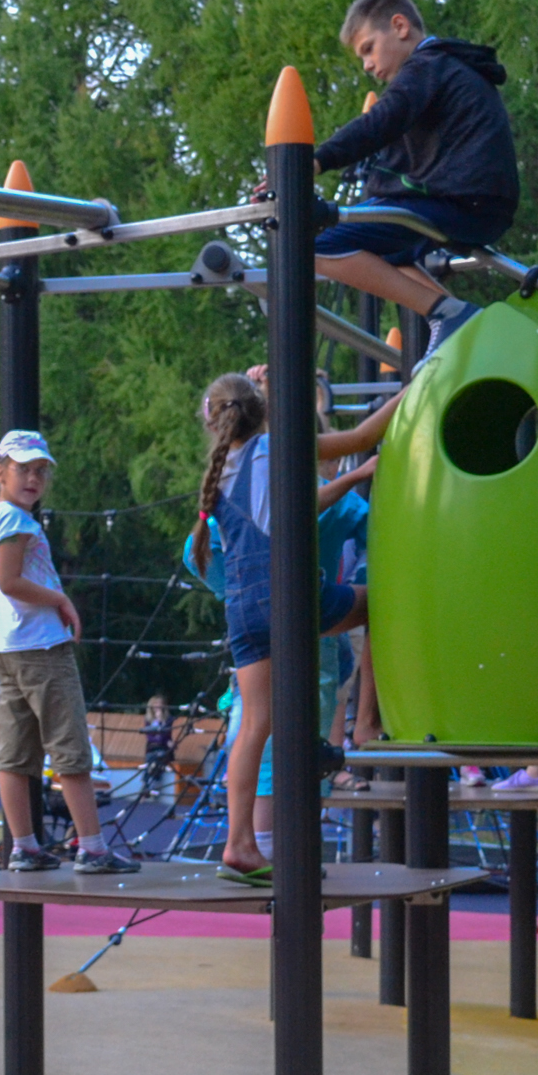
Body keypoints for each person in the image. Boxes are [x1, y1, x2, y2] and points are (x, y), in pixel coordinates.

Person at [193, 374, 395, 879]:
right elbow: (363, 436)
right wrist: (415, 389)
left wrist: (345, 481)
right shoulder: (278, 446)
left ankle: (238, 844)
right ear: (262, 412)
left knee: (256, 723)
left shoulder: (219, 472)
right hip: (288, 596)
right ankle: (367, 723)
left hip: (242, 608)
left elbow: (293, 510)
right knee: (380, 603)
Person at [307, 0, 520, 363]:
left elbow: (381, 121)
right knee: (376, 243)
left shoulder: (427, 66)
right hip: (477, 200)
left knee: (309, 245)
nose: (367, 66)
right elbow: (390, 162)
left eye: (369, 49)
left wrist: (314, 161)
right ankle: (453, 316)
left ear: (400, 26)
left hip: (463, 199)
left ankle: (447, 313)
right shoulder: (447, 72)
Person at [0, 432, 138, 874]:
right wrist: (60, 600)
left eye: (41, 470)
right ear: (1, 469)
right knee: (70, 750)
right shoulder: (19, 522)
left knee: (15, 753)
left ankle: (24, 845)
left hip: (6, 647)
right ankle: (94, 848)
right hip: (40, 646)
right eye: (23, 468)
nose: (33, 478)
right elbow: (8, 581)